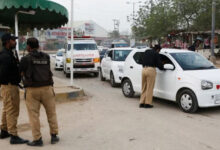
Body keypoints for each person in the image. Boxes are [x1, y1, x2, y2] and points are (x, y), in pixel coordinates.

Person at [19, 37, 59, 146]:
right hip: (47, 89)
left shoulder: (25, 59)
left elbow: (20, 72)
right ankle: (54, 136)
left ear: (28, 46)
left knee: (34, 116)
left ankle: (38, 139)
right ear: (38, 46)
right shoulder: (46, 56)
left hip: (32, 90)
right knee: (51, 113)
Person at [0, 33, 28, 144]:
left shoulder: (8, 53)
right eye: (13, 40)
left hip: (9, 85)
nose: (15, 42)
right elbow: (5, 73)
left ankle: (4, 130)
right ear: (7, 42)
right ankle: (13, 135)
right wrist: (17, 76)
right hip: (9, 86)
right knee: (12, 110)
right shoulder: (5, 56)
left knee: (7, 109)